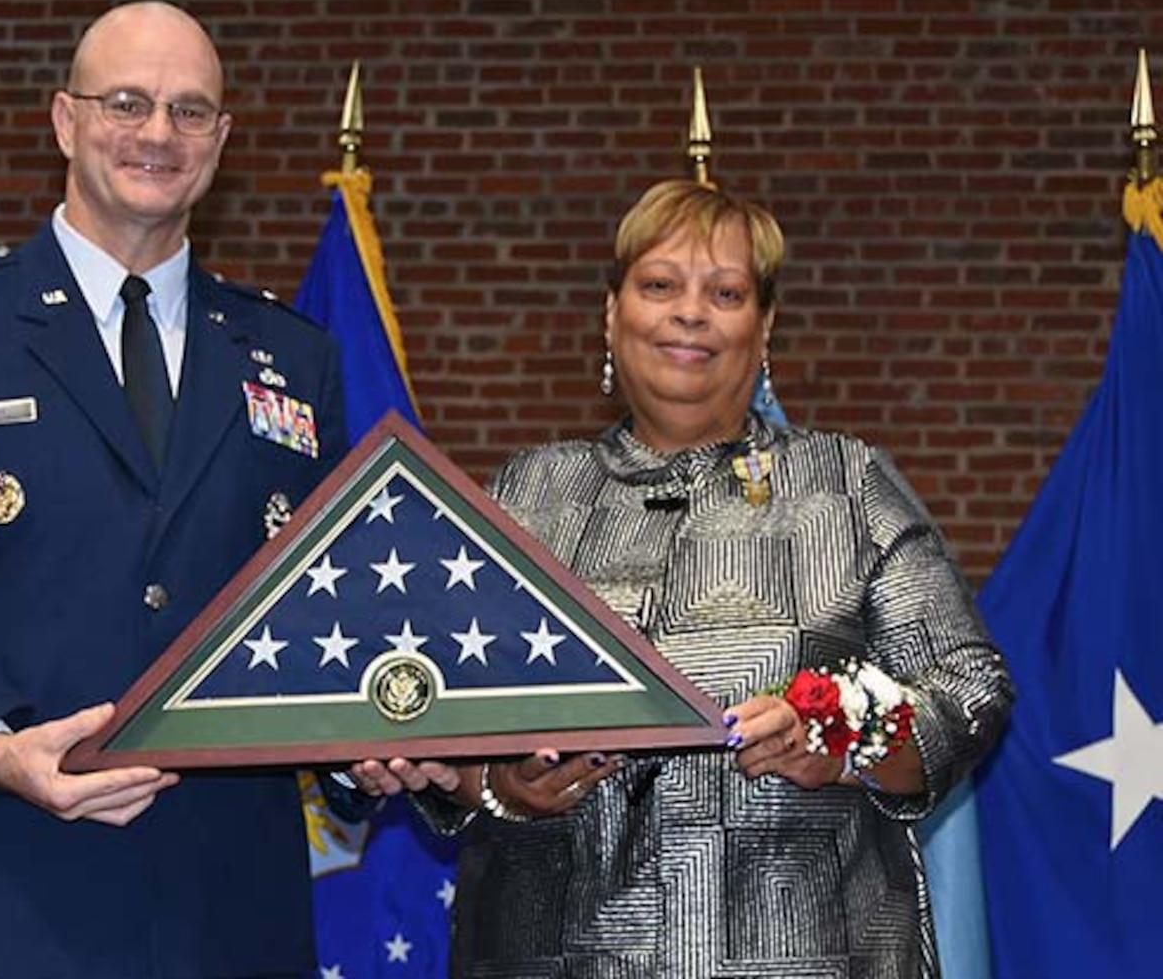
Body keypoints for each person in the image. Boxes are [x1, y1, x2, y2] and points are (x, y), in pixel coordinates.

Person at [0, 1, 347, 978]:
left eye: (189, 110)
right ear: (65, 120)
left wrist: (376, 742)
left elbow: (324, 608)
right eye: (127, 102)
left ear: (220, 138)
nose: (157, 134)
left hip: (228, 921)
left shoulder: (291, 357)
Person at [352, 179, 1014, 978]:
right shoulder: (523, 493)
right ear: (612, 313)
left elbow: (971, 687)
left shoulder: (849, 483)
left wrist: (841, 737)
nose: (690, 312)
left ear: (764, 324)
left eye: (726, 292)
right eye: (659, 285)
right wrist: (493, 783)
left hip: (815, 955)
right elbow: (433, 716)